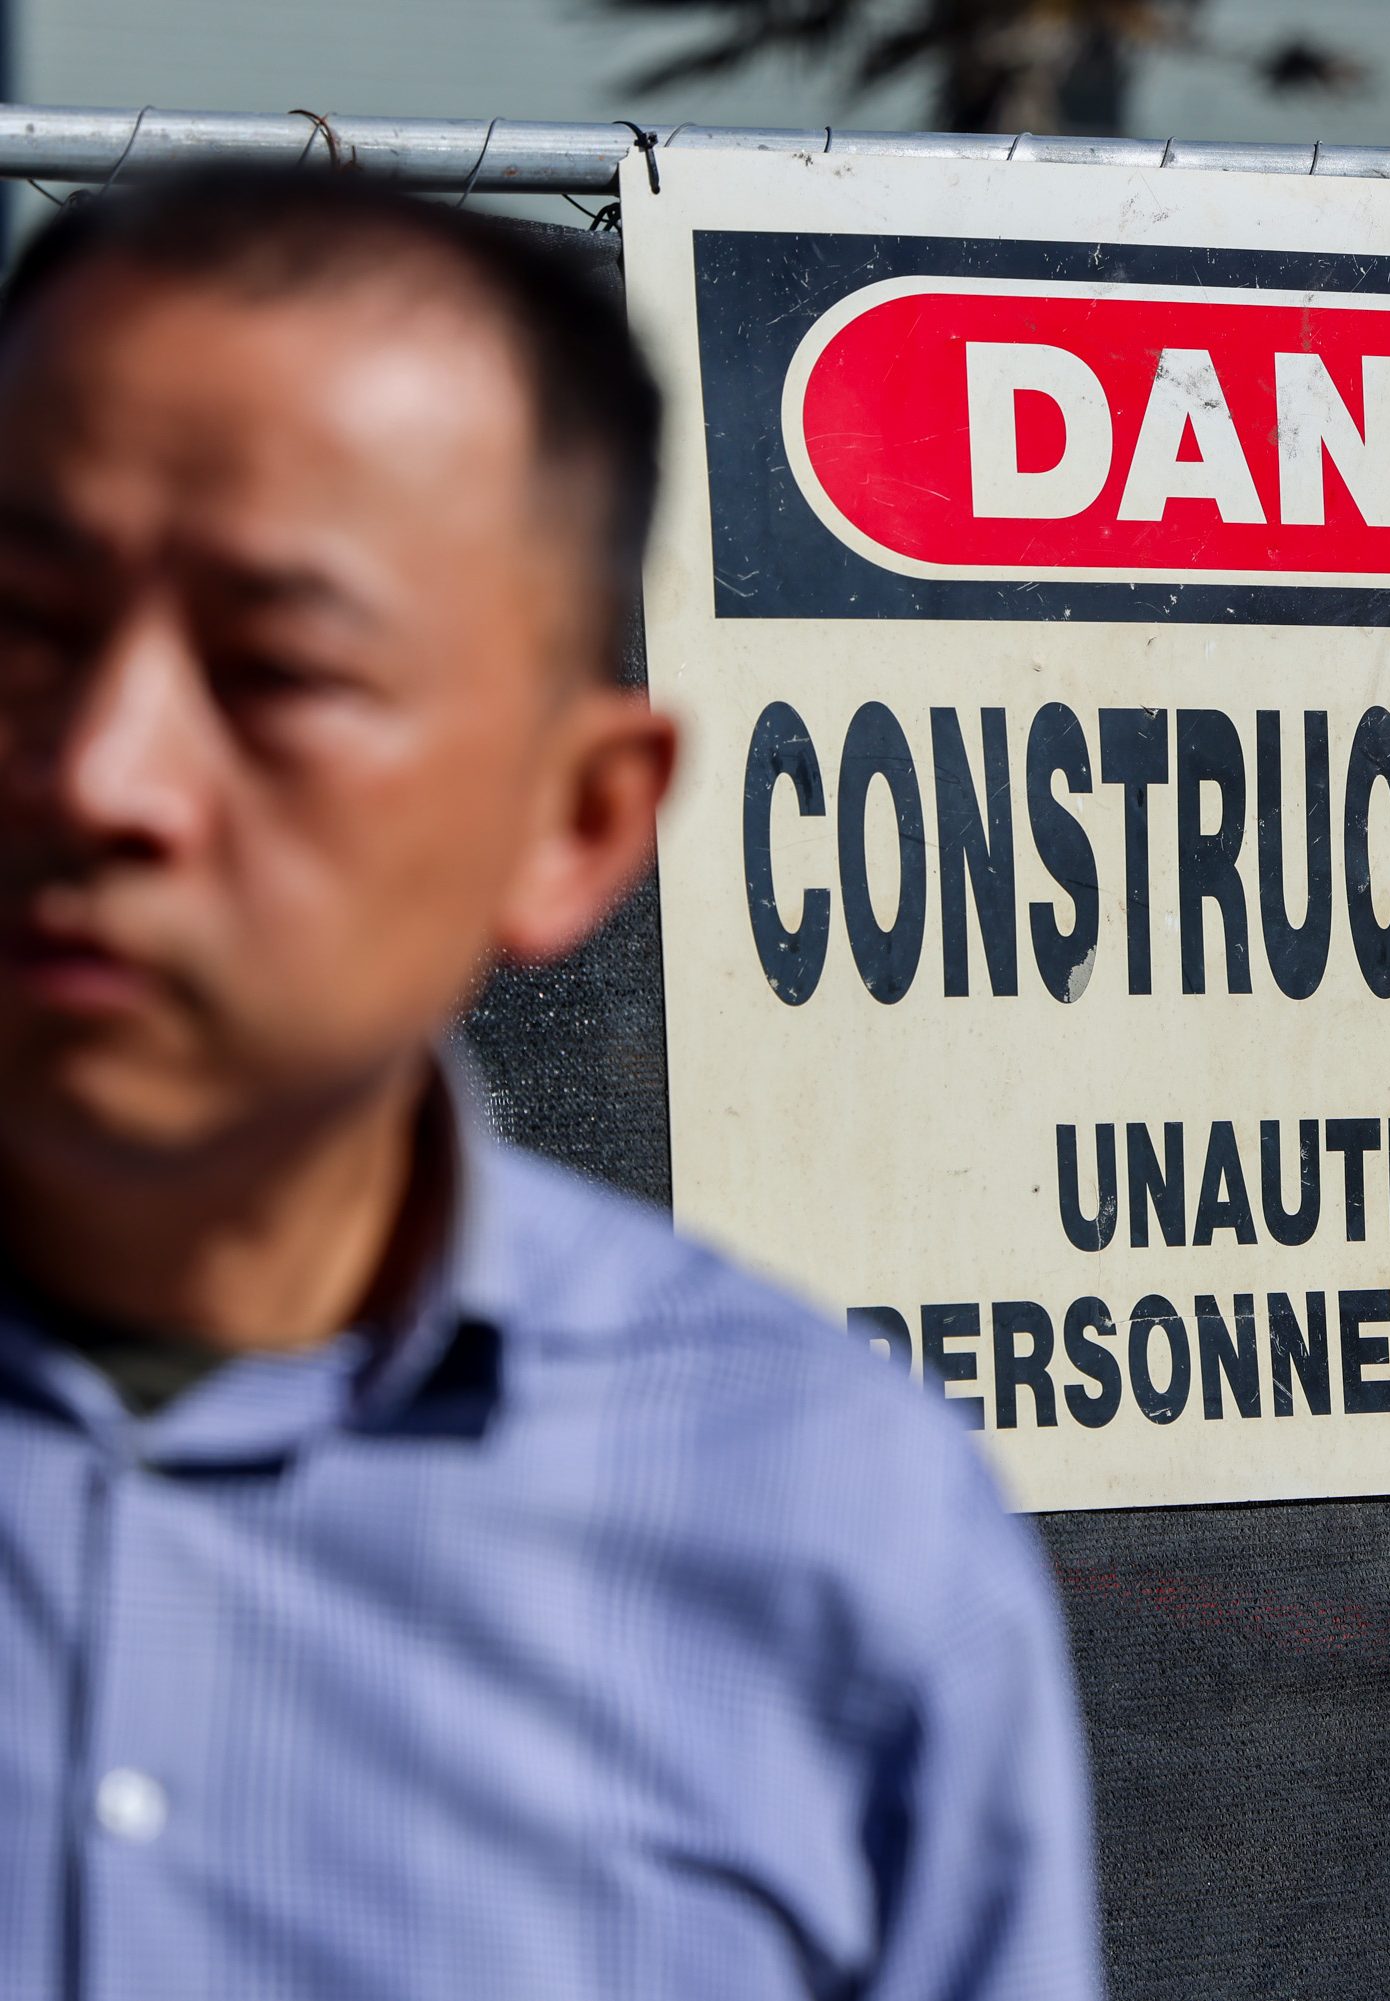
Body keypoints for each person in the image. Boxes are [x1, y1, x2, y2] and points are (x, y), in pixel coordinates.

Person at [0, 167, 1101, 2001]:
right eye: (22, 627)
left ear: (579, 819)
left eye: (276, 670)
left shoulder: (823, 1512)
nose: (106, 772)